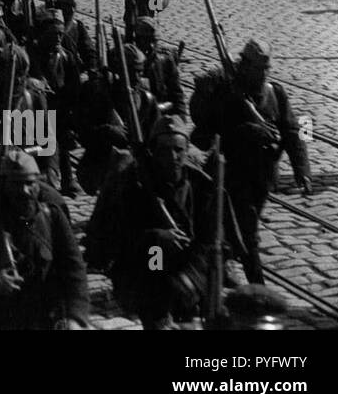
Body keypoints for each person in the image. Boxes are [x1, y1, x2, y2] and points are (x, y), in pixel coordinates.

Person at [86, 117, 242, 329]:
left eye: (178, 149)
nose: (172, 156)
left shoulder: (203, 187)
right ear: (153, 151)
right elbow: (116, 237)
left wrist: (190, 278)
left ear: (187, 150)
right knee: (156, 281)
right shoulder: (134, 184)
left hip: (193, 271)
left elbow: (213, 239)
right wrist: (156, 236)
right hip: (151, 264)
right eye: (164, 149)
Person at [191, 39, 310, 285]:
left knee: (237, 228)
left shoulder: (275, 93)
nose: (264, 73)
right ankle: (258, 288)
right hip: (232, 173)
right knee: (247, 231)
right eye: (258, 68)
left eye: (267, 68)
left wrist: (302, 169)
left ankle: (222, 264)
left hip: (264, 176)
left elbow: (293, 131)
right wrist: (245, 129)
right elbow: (205, 132)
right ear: (244, 67)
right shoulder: (227, 93)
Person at [0, 150, 91, 330]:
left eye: (29, 183)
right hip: (0, 317)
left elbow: (73, 266)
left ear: (38, 183)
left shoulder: (50, 214)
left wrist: (75, 316)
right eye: (16, 184)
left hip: (45, 314)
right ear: (3, 184)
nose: (24, 191)